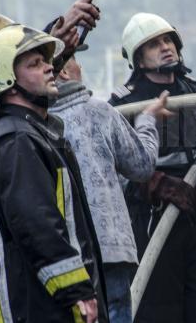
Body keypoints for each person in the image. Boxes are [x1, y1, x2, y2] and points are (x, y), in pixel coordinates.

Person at [0, 24, 108, 323]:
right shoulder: (18, 141)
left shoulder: (34, 134)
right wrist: (76, 290)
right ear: (8, 82)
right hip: (42, 306)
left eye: (45, 61)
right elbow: (37, 224)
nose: (50, 68)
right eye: (35, 64)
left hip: (50, 302)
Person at [109, 12, 196, 323]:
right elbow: (112, 169)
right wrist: (156, 183)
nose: (165, 47)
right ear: (138, 59)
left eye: (168, 40)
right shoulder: (123, 105)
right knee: (158, 311)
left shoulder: (194, 93)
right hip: (151, 223)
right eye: (153, 44)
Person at [50, 53, 169, 323]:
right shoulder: (98, 111)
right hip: (110, 248)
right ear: (66, 73)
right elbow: (142, 165)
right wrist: (147, 120)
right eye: (77, 60)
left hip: (64, 257)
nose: (81, 65)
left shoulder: (36, 122)